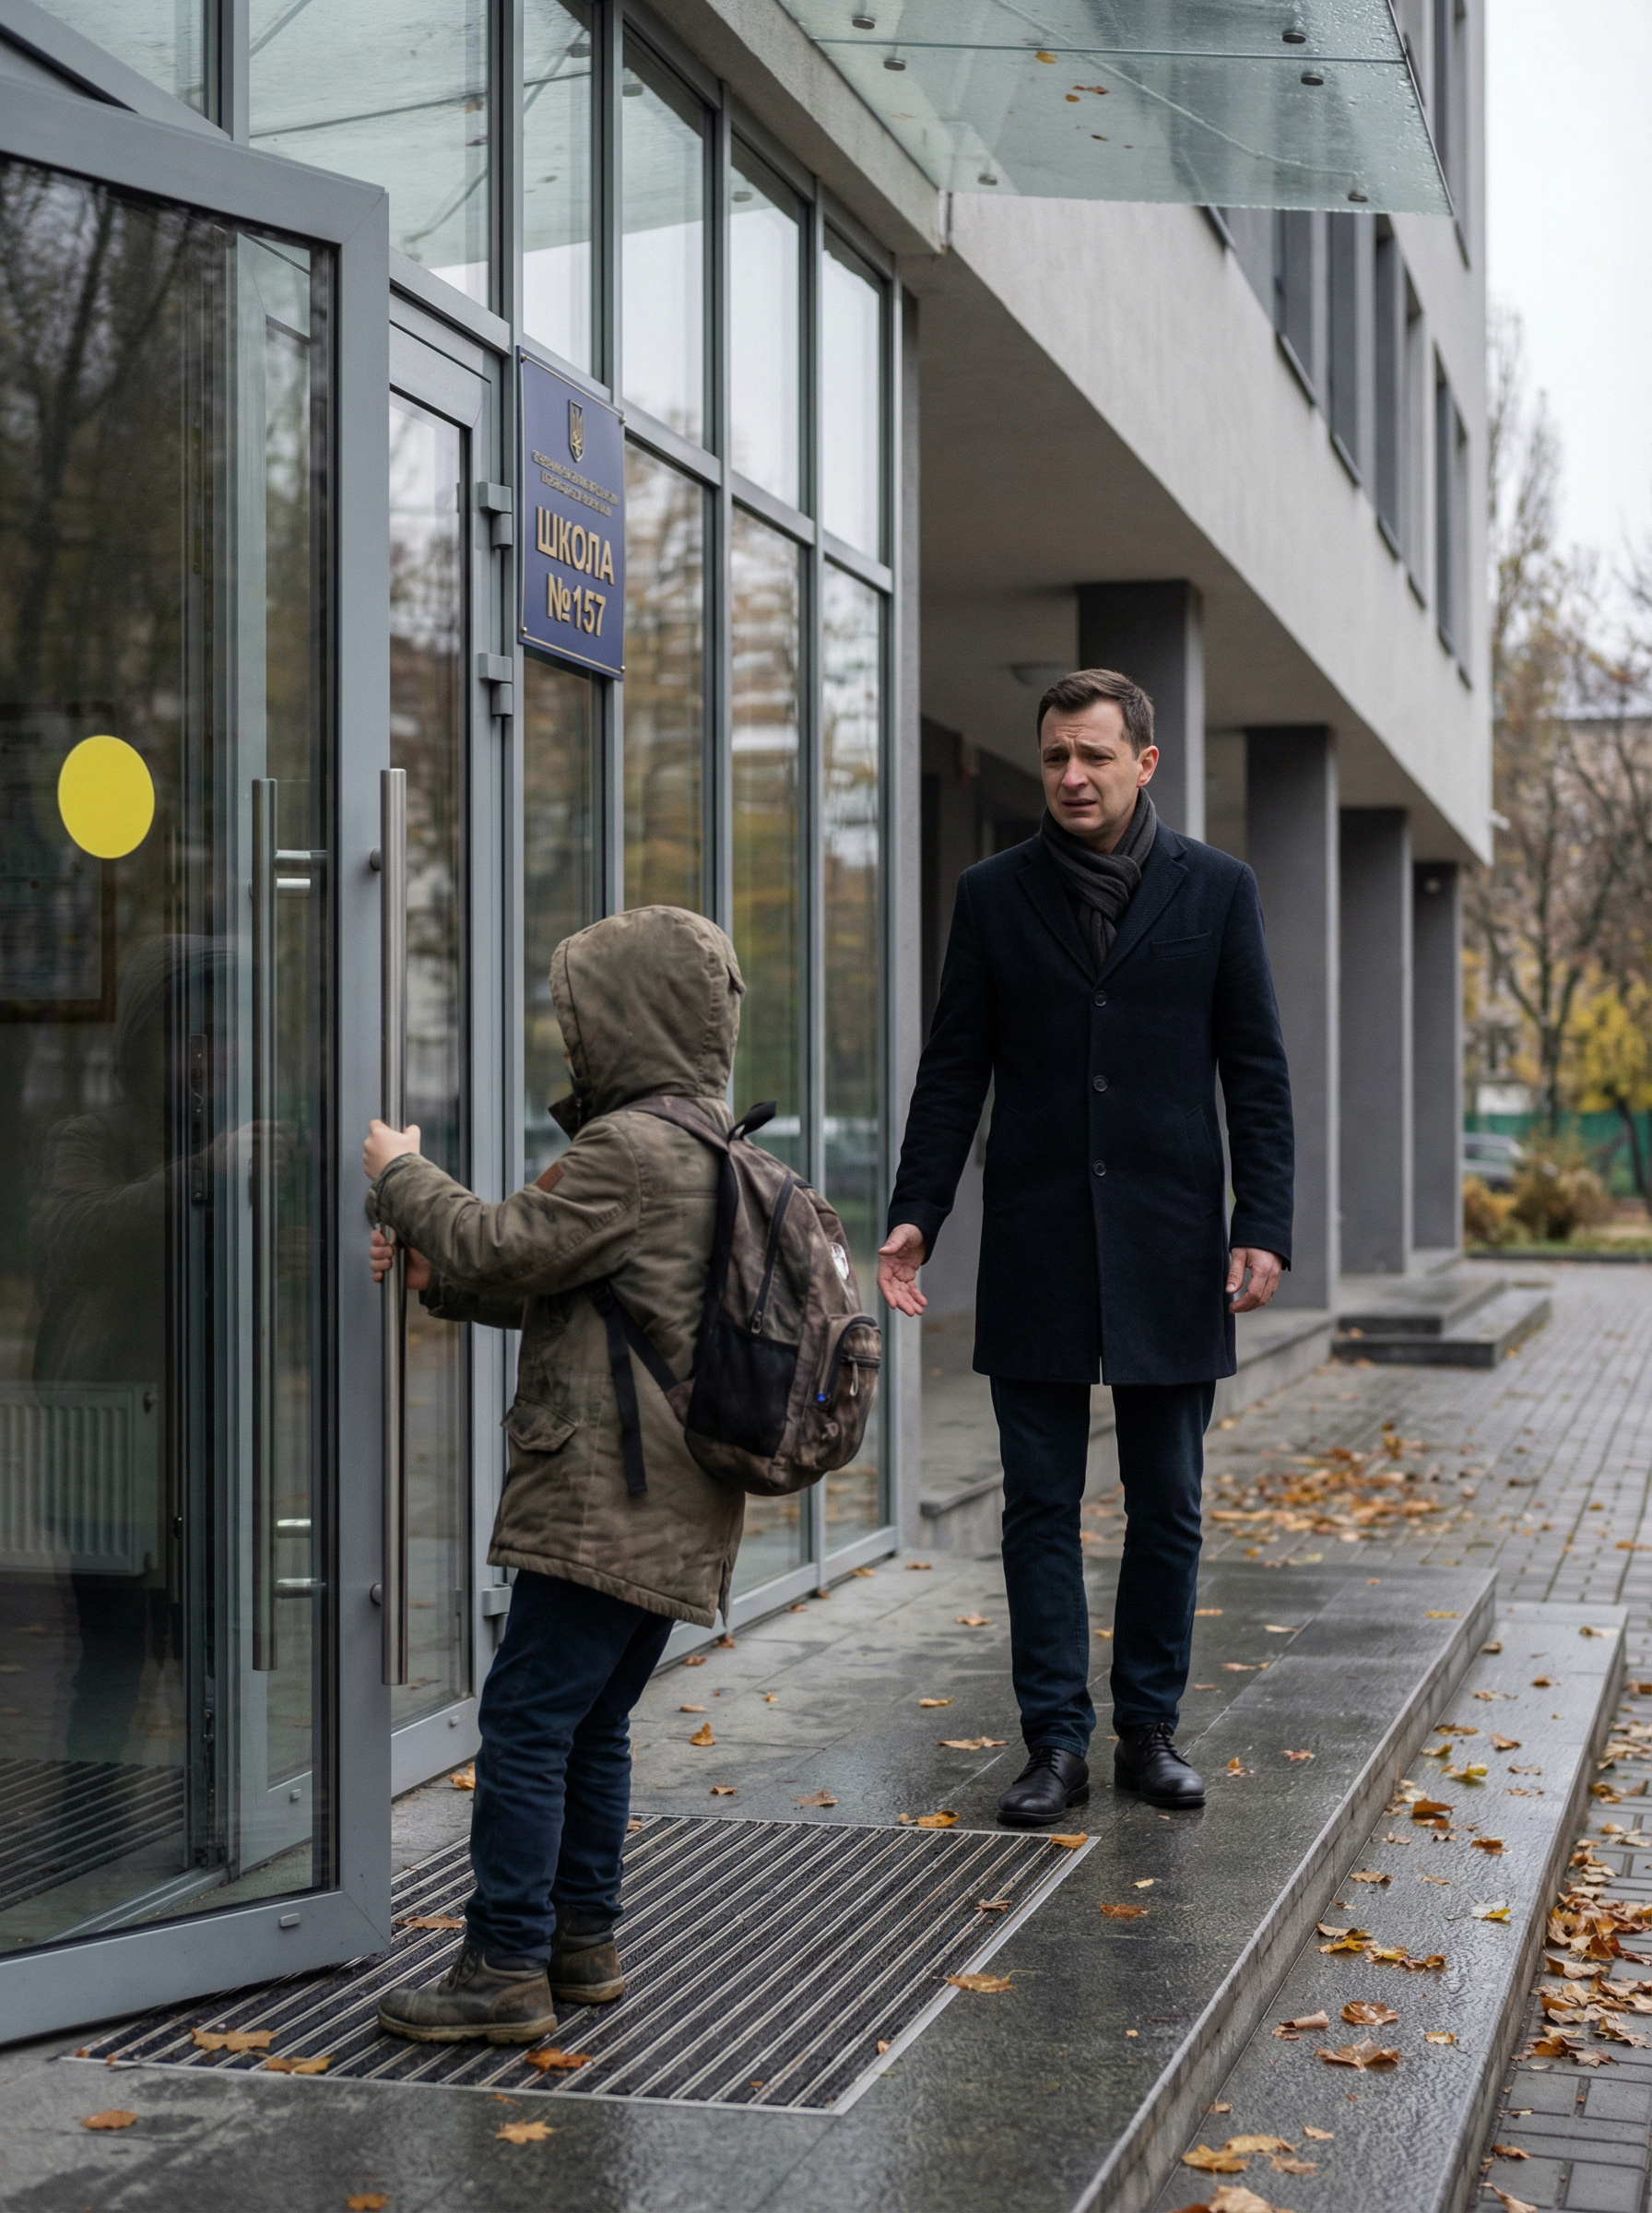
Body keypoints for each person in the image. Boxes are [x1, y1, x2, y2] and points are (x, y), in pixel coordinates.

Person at [879, 669, 1292, 1820]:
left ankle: (1148, 1732)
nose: (1071, 776)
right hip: (1039, 1241)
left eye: (1094, 756)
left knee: (1168, 1502)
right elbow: (954, 1066)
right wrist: (918, 1211)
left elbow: (1255, 1071)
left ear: (1142, 763)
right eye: (1057, 756)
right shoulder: (993, 894)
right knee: (1037, 1505)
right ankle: (1054, 1741)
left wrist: (1262, 1221)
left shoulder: (1217, 890)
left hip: (1171, 1245)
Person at [368, 905, 748, 2043]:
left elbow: (502, 1243)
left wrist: (402, 1177)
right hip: (677, 1500)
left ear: (627, 1019)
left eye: (580, 1018)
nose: (569, 1041)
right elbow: (567, 1286)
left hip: (605, 1498)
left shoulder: (628, 1150)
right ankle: (583, 1946)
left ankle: (502, 1971)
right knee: (592, 1726)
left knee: (527, 1723)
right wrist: (436, 1277)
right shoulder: (701, 1139)